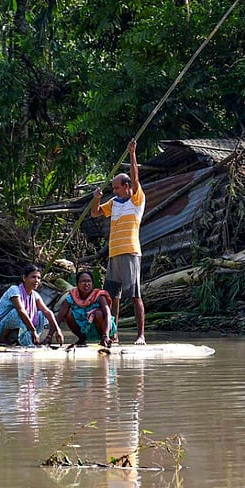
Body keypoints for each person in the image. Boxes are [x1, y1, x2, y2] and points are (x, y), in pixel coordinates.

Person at [91, 139, 147, 345]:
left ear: (125, 187)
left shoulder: (136, 200)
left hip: (130, 251)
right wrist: (97, 198)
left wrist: (132, 153)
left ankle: (140, 336)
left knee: (134, 295)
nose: (113, 191)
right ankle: (113, 334)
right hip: (114, 253)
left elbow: (135, 178)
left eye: (116, 188)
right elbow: (95, 213)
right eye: (112, 188)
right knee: (112, 296)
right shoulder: (114, 203)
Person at [0, 264, 64, 346]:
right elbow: (21, 311)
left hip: (18, 330)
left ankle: (31, 338)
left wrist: (58, 330)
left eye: (38, 278)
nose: (36, 280)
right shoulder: (14, 290)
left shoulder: (35, 295)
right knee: (16, 312)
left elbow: (47, 311)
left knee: (41, 314)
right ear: (24, 278)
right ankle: (3, 339)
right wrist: (33, 330)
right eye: (33, 277)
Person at [50, 270, 117, 347]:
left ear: (92, 283)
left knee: (98, 313)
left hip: (104, 330)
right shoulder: (72, 296)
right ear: (77, 284)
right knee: (67, 314)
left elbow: (108, 315)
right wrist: (49, 336)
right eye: (83, 281)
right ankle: (82, 339)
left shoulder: (99, 296)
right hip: (84, 330)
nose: (86, 284)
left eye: (89, 281)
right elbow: (59, 317)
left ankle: (104, 338)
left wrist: (106, 335)